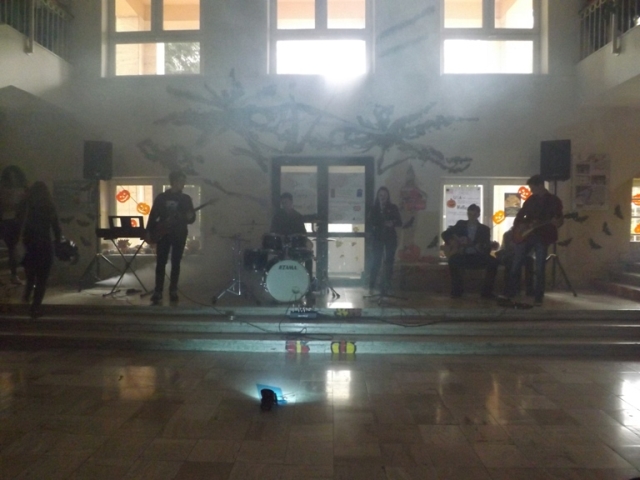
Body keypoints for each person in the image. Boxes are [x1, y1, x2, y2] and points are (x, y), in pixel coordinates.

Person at [504, 174, 564, 306]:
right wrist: (522, 225)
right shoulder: (531, 200)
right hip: (527, 236)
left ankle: (538, 297)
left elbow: (559, 220)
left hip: (543, 237)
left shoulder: (554, 201)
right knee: (516, 263)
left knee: (540, 267)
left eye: (533, 188)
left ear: (540, 186)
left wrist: (556, 222)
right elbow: (519, 216)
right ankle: (510, 292)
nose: (531, 191)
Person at [146, 171, 196, 305]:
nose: (183, 184)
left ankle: (173, 290)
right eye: (181, 181)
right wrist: (149, 231)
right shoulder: (161, 198)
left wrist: (190, 217)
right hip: (163, 234)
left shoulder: (186, 199)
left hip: (179, 234)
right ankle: (158, 291)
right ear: (174, 182)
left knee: (176, 262)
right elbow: (153, 215)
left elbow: (191, 219)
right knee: (161, 262)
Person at [16, 181, 62, 318]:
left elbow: (19, 222)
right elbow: (56, 227)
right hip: (44, 244)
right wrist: (58, 242)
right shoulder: (49, 206)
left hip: (30, 244)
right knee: (42, 279)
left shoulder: (27, 205)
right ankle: (35, 308)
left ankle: (26, 296)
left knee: (31, 276)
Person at [441, 204, 497, 299]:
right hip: (463, 254)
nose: (471, 217)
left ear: (478, 215)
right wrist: (455, 241)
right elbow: (445, 234)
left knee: (493, 262)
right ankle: (457, 291)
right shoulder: (461, 224)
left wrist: (480, 247)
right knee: (453, 260)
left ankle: (487, 292)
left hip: (478, 256)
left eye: (474, 215)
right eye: (469, 214)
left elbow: (487, 247)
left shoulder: (484, 229)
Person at [270, 192, 313, 278]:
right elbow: (273, 232)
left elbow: (303, 233)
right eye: (282, 203)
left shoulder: (298, 217)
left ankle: (309, 280)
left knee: (309, 257)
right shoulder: (277, 217)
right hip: (281, 246)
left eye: (286, 202)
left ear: (291, 202)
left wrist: (303, 241)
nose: (284, 205)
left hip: (295, 246)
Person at [367, 186, 402, 294]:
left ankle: (387, 285)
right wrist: (382, 223)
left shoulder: (393, 207)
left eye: (385, 195)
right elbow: (370, 222)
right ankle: (372, 285)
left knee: (389, 262)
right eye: (381, 195)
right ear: (378, 196)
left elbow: (399, 222)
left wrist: (392, 222)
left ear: (388, 196)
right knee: (376, 261)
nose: (383, 197)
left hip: (390, 238)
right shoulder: (374, 209)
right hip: (378, 238)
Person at [0, 166, 29, 285]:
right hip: (4, 221)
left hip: (14, 222)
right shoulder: (3, 189)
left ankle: (13, 275)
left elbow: (23, 206)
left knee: (12, 250)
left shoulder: (21, 190)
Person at [495, 226, 534, 297]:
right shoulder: (507, 234)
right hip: (511, 256)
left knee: (528, 261)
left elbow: (529, 250)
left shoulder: (528, 235)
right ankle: (510, 288)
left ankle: (529, 289)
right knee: (510, 262)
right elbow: (506, 248)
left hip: (523, 256)